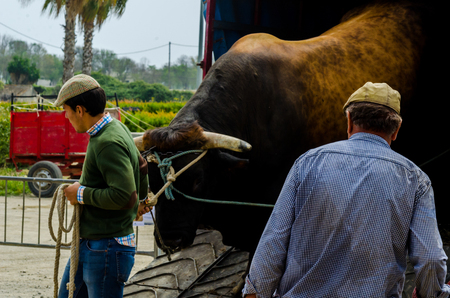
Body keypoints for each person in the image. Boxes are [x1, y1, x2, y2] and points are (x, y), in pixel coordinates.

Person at [242, 82, 450, 298]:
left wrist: (254, 294)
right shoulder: (416, 180)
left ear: (349, 121)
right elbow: (431, 259)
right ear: (396, 130)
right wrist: (431, 293)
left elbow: (273, 243)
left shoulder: (307, 163)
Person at [53, 74, 151, 298]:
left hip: (106, 247)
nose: (65, 116)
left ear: (79, 110)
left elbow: (124, 196)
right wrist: (142, 200)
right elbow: (142, 165)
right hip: (93, 244)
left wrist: (80, 194)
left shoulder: (107, 142)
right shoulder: (116, 128)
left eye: (66, 110)